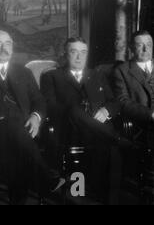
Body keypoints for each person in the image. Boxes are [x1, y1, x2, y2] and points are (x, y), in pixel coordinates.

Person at [0, 30, 64, 204]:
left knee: (18, 137)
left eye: (8, 43)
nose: (4, 48)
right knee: (12, 124)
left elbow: (39, 100)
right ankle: (47, 179)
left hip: (25, 130)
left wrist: (35, 117)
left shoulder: (23, 72)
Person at [40, 37, 126, 204]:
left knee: (112, 153)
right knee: (73, 110)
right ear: (65, 54)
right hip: (69, 130)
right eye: (74, 52)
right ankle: (118, 138)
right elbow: (49, 106)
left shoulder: (97, 75)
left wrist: (106, 110)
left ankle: (109, 200)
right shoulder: (52, 76)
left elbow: (115, 101)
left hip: (98, 131)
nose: (79, 57)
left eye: (83, 52)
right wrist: (74, 114)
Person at [113, 31, 154, 145]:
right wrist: (150, 114)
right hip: (141, 126)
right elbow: (122, 101)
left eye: (149, 45)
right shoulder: (122, 70)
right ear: (131, 47)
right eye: (140, 45)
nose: (146, 49)